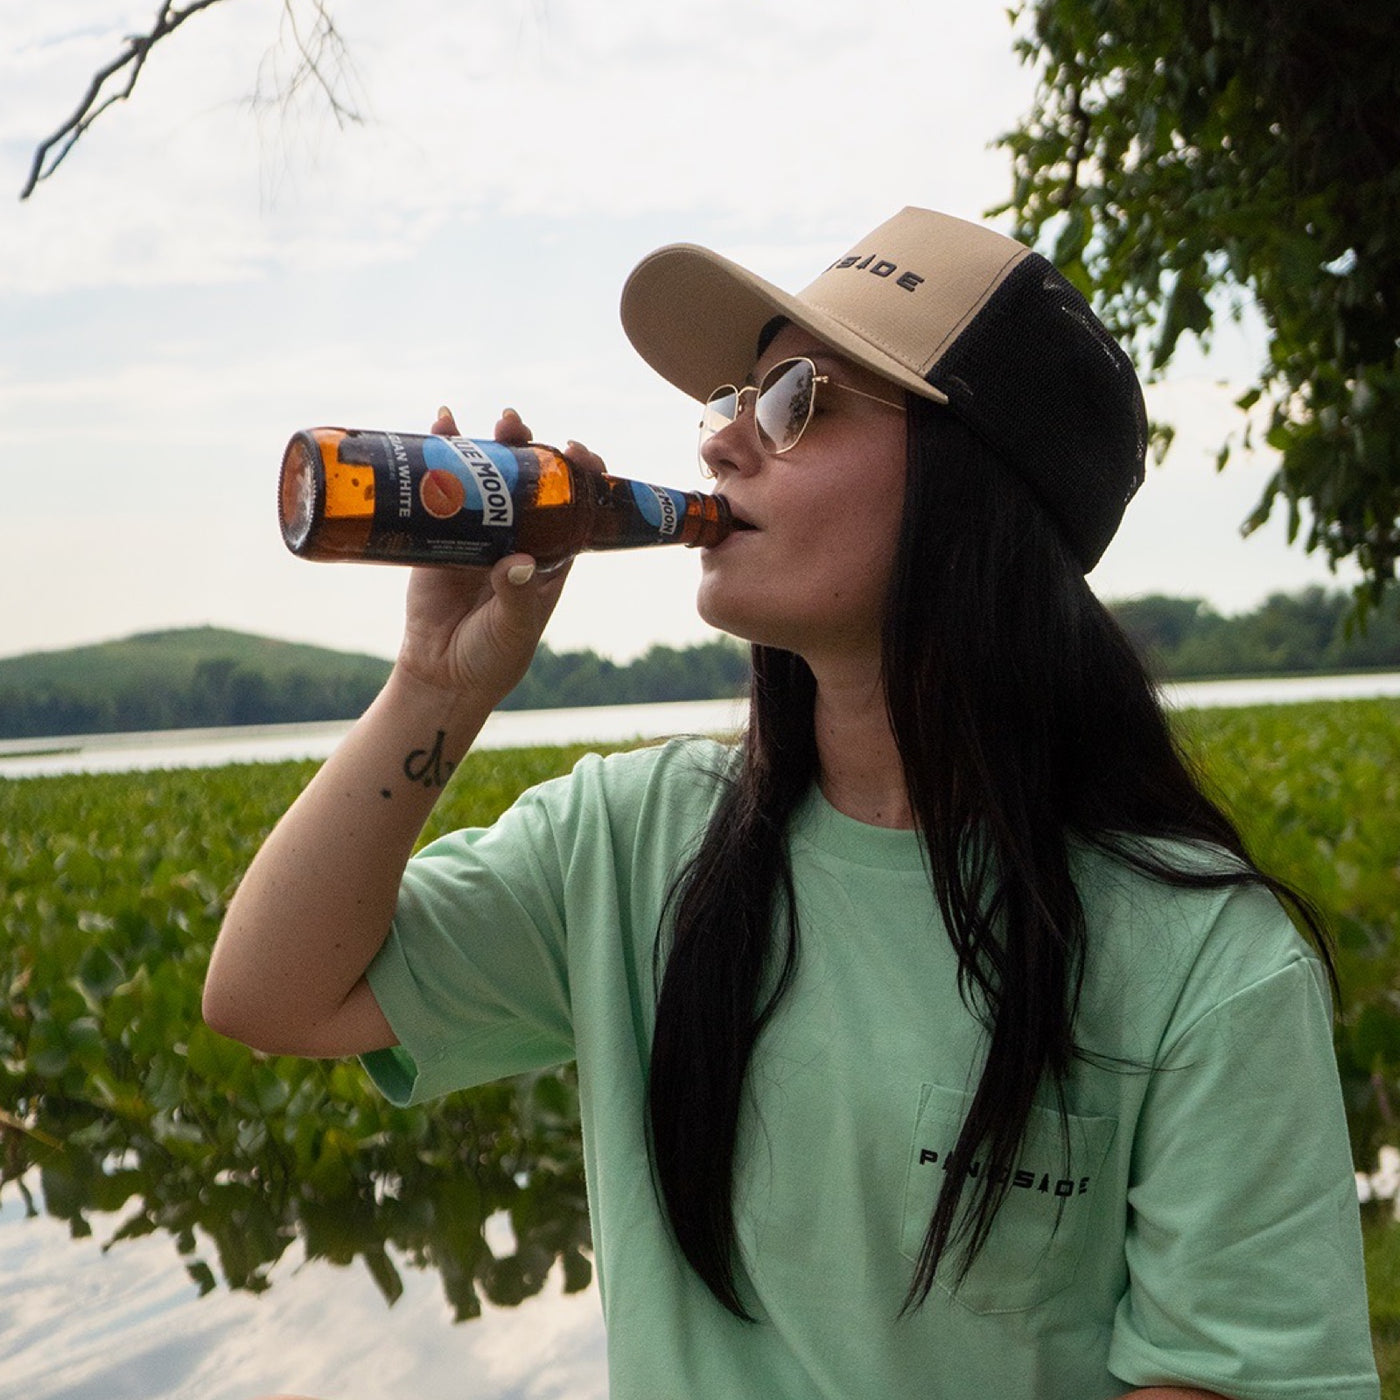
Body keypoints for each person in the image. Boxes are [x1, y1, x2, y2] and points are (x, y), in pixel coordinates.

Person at [204, 207, 1379, 1399]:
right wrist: (433, 687)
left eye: (797, 401)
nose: (720, 447)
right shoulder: (633, 838)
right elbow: (271, 992)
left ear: (976, 485)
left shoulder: (1204, 959)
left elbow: (1227, 1376)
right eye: (732, 401)